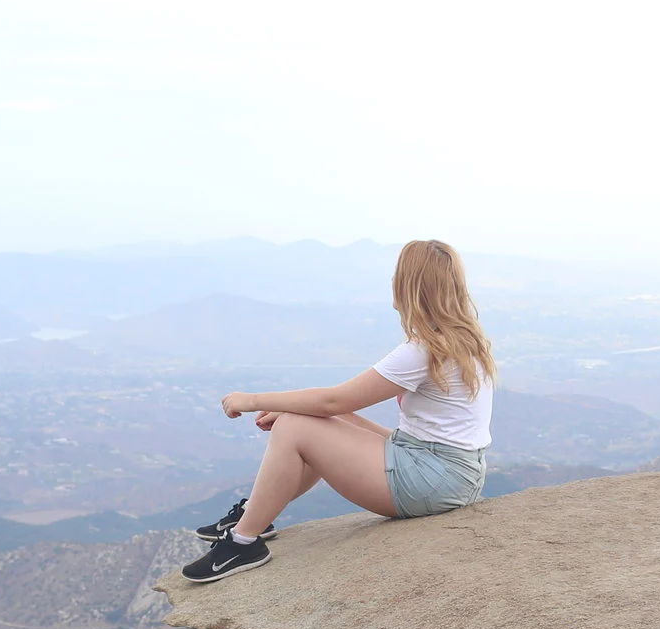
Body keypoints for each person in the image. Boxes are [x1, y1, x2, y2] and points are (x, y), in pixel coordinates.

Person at [180, 239, 495, 583]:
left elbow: (335, 401)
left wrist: (256, 400)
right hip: (447, 468)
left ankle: (243, 542)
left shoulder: (424, 350)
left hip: (434, 478)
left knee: (297, 428)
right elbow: (333, 409)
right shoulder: (461, 339)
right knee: (308, 420)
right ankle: (255, 515)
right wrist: (288, 410)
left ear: (408, 285)